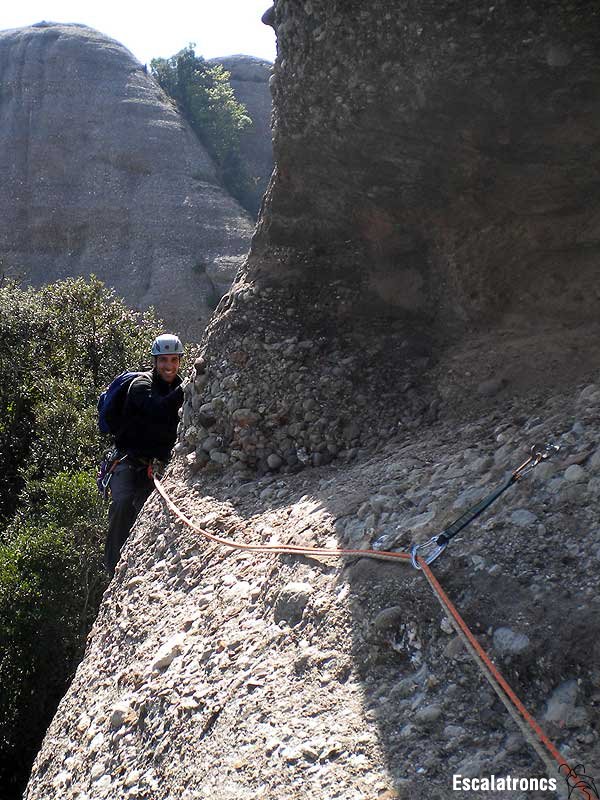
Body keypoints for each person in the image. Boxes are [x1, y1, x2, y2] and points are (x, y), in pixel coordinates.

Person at [104, 333, 187, 577]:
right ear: (155, 361)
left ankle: (138, 568)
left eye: (173, 360)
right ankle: (112, 570)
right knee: (122, 504)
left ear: (179, 361)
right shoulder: (140, 385)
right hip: (127, 459)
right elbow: (157, 409)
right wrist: (186, 387)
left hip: (155, 463)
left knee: (147, 513)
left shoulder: (179, 385)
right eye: (163, 360)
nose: (169, 366)